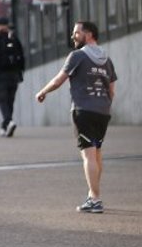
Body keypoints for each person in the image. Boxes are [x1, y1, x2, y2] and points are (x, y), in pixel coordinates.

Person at [35, 21, 117, 213]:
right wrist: (104, 105)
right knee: (96, 153)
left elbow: (58, 81)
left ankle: (95, 200)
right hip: (102, 112)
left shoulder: (77, 56)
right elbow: (112, 91)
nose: (73, 36)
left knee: (88, 155)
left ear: (88, 34)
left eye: (76, 33)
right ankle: (92, 194)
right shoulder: (107, 60)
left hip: (83, 110)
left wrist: (43, 92)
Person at [0, 16, 24, 137]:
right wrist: (20, 73)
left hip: (0, 74)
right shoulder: (14, 38)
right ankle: (5, 125)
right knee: (10, 100)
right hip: (14, 75)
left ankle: (9, 121)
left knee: (2, 100)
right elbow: (21, 56)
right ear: (7, 25)